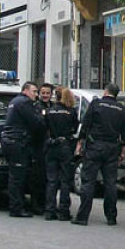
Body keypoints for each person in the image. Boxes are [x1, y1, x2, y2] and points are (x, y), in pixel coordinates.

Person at [73, 83, 125, 226]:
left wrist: (80, 143)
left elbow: (86, 125)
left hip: (94, 147)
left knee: (88, 182)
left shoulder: (96, 104)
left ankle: (82, 217)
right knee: (110, 183)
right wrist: (122, 152)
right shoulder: (122, 110)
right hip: (112, 149)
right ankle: (111, 217)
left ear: (105, 91)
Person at [1, 82, 45, 218]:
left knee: (16, 175)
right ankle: (16, 208)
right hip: (17, 142)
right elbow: (36, 122)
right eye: (34, 91)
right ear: (25, 91)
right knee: (17, 177)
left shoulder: (15, 101)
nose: (36, 95)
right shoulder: (24, 103)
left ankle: (17, 206)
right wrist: (42, 116)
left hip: (11, 140)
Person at [43, 86, 78, 221]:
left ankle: (49, 211)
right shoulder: (71, 111)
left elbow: (44, 128)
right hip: (65, 147)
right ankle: (64, 211)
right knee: (65, 180)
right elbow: (75, 128)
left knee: (51, 180)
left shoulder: (49, 111)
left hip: (52, 146)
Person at [27, 82, 53, 214]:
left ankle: (47, 204)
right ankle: (36, 204)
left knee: (48, 178)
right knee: (37, 177)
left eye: (47, 93)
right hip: (38, 146)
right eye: (43, 93)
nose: (45, 95)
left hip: (50, 147)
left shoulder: (53, 107)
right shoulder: (36, 107)